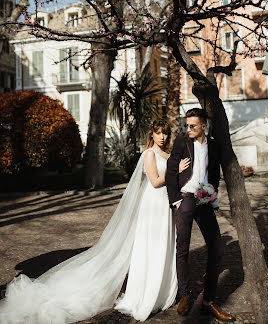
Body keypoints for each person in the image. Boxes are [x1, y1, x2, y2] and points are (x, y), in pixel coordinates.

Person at [0, 119, 188, 324]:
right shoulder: (149, 154)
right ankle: (145, 295)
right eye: (158, 133)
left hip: (165, 207)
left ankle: (161, 293)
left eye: (165, 133)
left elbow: (173, 181)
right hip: (152, 207)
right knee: (150, 250)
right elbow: (154, 181)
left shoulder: (168, 155)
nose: (162, 137)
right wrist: (175, 170)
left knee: (164, 249)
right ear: (151, 134)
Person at [165, 108, 236, 322]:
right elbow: (170, 171)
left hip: (204, 198)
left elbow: (214, 173)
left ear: (203, 126)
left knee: (217, 247)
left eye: (192, 126)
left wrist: (212, 196)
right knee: (182, 249)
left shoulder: (213, 146)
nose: (188, 129)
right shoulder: (181, 142)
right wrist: (176, 200)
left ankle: (208, 301)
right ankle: (185, 295)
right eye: (186, 125)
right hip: (185, 198)